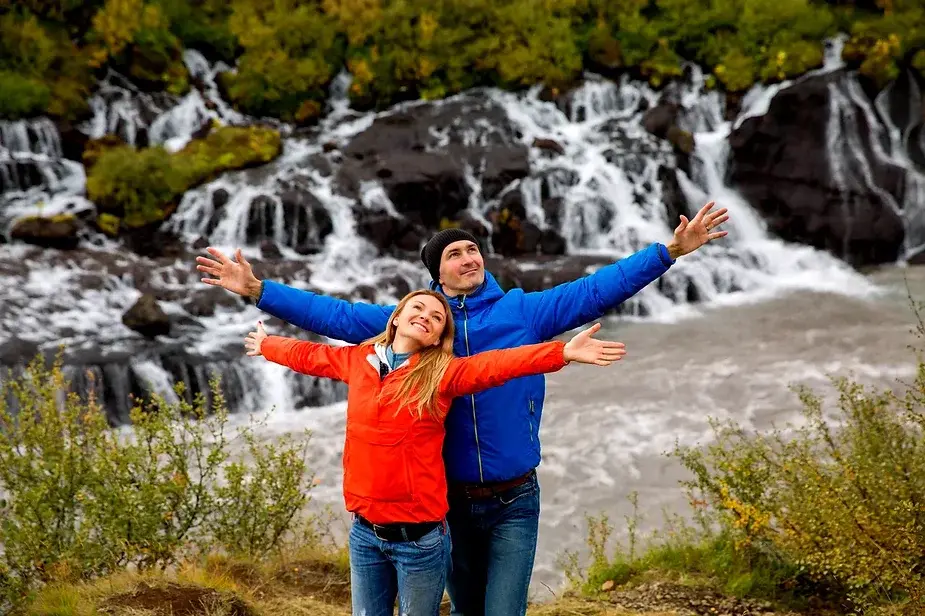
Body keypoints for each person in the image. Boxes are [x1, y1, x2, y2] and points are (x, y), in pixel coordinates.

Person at [198, 200, 729, 615]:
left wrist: (670, 251)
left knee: (503, 612)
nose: (469, 258)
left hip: (513, 497)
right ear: (436, 275)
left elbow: (598, 287)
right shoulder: (416, 324)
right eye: (455, 254)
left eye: (473, 250)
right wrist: (258, 290)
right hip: (444, 502)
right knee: (467, 608)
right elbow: (333, 317)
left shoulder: (525, 311)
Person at [242, 289, 627, 616]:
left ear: (437, 337)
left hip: (419, 540)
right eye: (418, 309)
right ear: (397, 317)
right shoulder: (358, 360)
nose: (426, 317)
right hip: (365, 533)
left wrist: (561, 353)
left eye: (437, 318)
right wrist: (267, 345)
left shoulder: (441, 375)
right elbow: (309, 355)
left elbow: (497, 365)